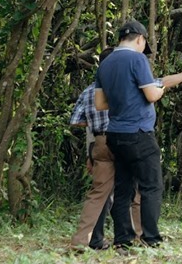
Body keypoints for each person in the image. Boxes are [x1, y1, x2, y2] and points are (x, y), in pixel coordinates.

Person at [95, 19, 182, 249]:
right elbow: (151, 95)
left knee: (124, 188)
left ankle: (122, 240)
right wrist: (157, 90)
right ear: (140, 39)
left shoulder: (105, 64)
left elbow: (100, 103)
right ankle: (151, 238)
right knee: (151, 186)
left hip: (115, 134)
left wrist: (128, 97)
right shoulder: (137, 59)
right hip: (138, 133)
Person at [68, 50, 142, 250]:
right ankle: (139, 236)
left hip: (100, 141)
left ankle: (81, 240)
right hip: (125, 139)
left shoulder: (89, 91)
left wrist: (96, 125)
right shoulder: (126, 87)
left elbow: (76, 121)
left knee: (98, 193)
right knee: (134, 192)